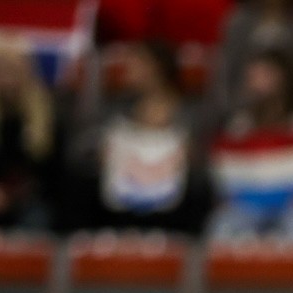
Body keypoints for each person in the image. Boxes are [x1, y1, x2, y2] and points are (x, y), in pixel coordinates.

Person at [67, 38, 212, 234]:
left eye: (135, 62)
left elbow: (208, 164)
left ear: (156, 68)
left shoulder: (192, 115)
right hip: (122, 203)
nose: (126, 68)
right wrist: (100, 155)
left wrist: (192, 159)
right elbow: (81, 148)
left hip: (178, 208)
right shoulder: (118, 111)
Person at [209, 49, 293, 244]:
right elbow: (226, 176)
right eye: (251, 77)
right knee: (223, 226)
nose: (255, 83)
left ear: (284, 78)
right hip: (247, 208)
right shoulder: (240, 125)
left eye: (263, 75)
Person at [0, 39, 58, 229]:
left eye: (14, 69)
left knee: (36, 219)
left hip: (29, 201)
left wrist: (12, 195)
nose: (7, 77)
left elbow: (53, 175)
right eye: (1, 69)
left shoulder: (46, 113)